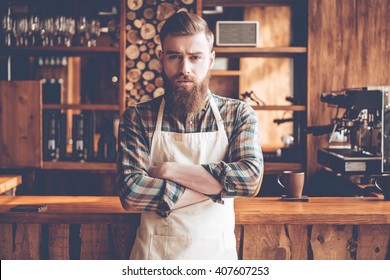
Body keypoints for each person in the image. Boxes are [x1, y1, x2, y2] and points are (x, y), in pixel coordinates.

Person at [117, 11, 263, 260]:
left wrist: (168, 170)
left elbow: (249, 180)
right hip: (154, 261)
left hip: (217, 259)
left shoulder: (238, 114)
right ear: (162, 59)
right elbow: (131, 194)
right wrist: (218, 188)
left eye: (195, 57)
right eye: (175, 57)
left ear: (210, 59)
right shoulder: (137, 117)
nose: (185, 68)